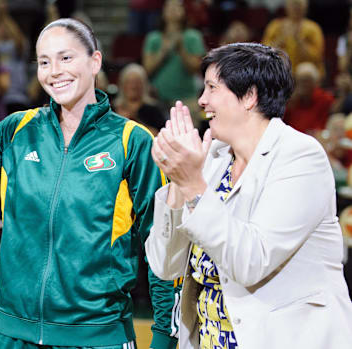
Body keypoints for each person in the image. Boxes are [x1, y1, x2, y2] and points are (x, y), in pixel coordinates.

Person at [0, 18, 180, 349]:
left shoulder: (132, 141)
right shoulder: (16, 130)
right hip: (13, 334)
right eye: (44, 62)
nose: (54, 71)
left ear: (95, 62)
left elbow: (162, 244)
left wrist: (164, 334)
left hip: (98, 335)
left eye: (66, 58)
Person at [145, 42, 352, 349]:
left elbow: (250, 262)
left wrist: (192, 184)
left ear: (250, 96)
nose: (202, 100)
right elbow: (165, 266)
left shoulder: (300, 158)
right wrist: (178, 181)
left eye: (212, 88)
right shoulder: (213, 158)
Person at [142, 0, 206, 125]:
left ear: (184, 12)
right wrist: (163, 52)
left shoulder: (193, 36)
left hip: (187, 98)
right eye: (169, 7)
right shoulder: (153, 38)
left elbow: (197, 68)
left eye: (177, 7)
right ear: (163, 12)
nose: (173, 10)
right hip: (158, 99)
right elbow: (147, 69)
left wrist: (182, 49)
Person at [262, 0, 325, 78]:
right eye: (293, 5)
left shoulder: (313, 28)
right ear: (286, 7)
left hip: (304, 70)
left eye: (299, 5)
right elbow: (263, 52)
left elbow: (317, 57)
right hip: (281, 68)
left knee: (306, 70)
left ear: (305, 8)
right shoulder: (275, 26)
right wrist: (280, 39)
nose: (296, 8)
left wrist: (298, 40)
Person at [114, 63, 166, 134]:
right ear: (122, 85)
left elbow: (161, 134)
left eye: (137, 82)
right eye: (129, 82)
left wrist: (133, 121)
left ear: (144, 85)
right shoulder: (112, 109)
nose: (133, 86)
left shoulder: (154, 110)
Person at [283, 62, 334, 135]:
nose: (303, 85)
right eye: (300, 81)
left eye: (306, 81)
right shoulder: (291, 100)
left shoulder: (324, 99)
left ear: (315, 82)